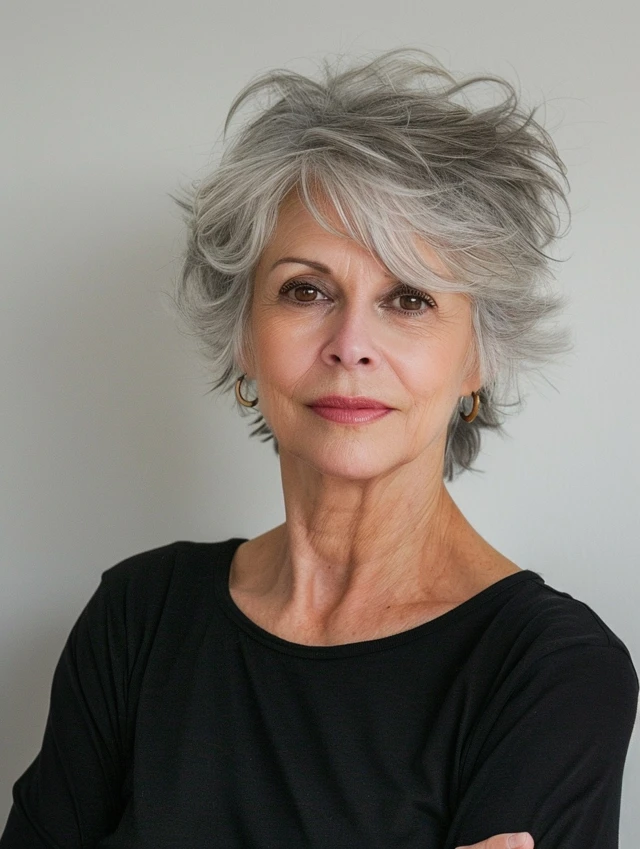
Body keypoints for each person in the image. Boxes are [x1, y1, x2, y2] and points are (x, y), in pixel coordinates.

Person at [1, 47, 637, 849]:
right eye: (306, 290)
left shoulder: (552, 670)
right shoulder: (139, 617)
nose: (350, 344)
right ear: (243, 334)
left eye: (409, 298)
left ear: (479, 355)